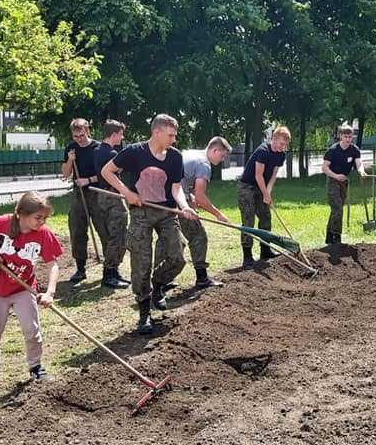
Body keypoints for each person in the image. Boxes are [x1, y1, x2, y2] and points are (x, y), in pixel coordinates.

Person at [100, 114, 198, 335]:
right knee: (141, 262)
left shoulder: (175, 157)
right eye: (171, 135)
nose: (174, 139)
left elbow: (175, 188)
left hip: (166, 212)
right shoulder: (134, 152)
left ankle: (158, 284)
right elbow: (107, 171)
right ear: (157, 132)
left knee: (177, 257)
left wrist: (183, 206)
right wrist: (127, 193)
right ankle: (144, 313)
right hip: (141, 212)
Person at [0, 191, 63, 397]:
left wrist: (50, 292)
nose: (42, 222)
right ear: (22, 213)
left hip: (23, 288)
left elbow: (52, 265)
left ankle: (35, 367)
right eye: (37, 217)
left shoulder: (43, 234)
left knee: (32, 331)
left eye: (44, 218)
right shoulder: (1, 223)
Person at [155, 136, 233, 288]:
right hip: (175, 202)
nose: (223, 159)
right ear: (214, 150)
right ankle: (202, 279)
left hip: (159, 199)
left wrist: (188, 196)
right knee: (198, 236)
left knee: (165, 240)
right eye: (222, 155)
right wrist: (218, 215)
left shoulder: (191, 153)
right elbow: (201, 198)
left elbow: (181, 178)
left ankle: (160, 279)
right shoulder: (204, 164)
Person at [237, 126, 290, 267]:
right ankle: (247, 257)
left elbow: (273, 176)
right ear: (273, 139)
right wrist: (265, 193)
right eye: (281, 144)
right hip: (247, 187)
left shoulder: (281, 155)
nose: (283, 147)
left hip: (262, 187)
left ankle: (265, 250)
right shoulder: (263, 151)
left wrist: (268, 192)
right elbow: (258, 175)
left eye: (285, 145)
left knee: (266, 217)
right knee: (248, 221)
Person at [91, 119, 131, 289]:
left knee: (112, 235)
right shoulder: (112, 155)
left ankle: (114, 272)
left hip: (102, 196)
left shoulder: (98, 150)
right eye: (121, 134)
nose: (122, 138)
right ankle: (109, 275)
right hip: (112, 196)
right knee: (119, 235)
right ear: (114, 134)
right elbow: (119, 172)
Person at [59, 118, 100, 283]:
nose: (79, 139)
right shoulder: (71, 148)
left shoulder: (98, 148)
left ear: (88, 131)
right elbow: (65, 174)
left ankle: (111, 269)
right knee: (76, 229)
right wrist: (70, 160)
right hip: (79, 194)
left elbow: (106, 174)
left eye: (82, 135)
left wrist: (88, 180)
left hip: (97, 191)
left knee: (104, 228)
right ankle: (80, 268)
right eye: (76, 136)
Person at [322, 124, 368, 245]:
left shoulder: (354, 150)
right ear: (340, 136)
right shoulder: (332, 150)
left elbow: (359, 163)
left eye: (350, 137)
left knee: (336, 210)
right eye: (345, 136)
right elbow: (325, 168)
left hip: (344, 182)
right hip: (333, 180)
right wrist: (336, 176)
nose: (348, 139)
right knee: (337, 208)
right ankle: (337, 236)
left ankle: (329, 235)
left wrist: (361, 171)